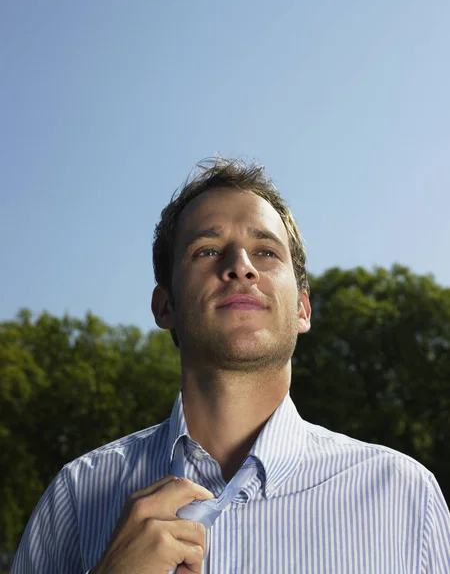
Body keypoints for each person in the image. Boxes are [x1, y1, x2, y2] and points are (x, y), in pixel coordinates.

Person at [12, 157, 450, 573]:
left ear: (302, 310)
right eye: (206, 250)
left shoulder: (406, 498)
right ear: (165, 307)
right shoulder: (74, 497)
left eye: (266, 252)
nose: (240, 267)